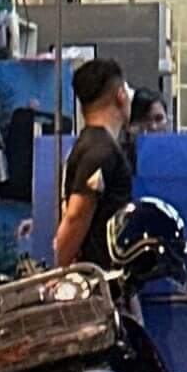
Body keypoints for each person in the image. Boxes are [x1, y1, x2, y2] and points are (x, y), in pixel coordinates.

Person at [56, 58, 133, 269]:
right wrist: (56, 274)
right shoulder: (100, 150)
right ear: (120, 95)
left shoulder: (91, 144)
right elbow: (76, 217)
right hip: (96, 280)